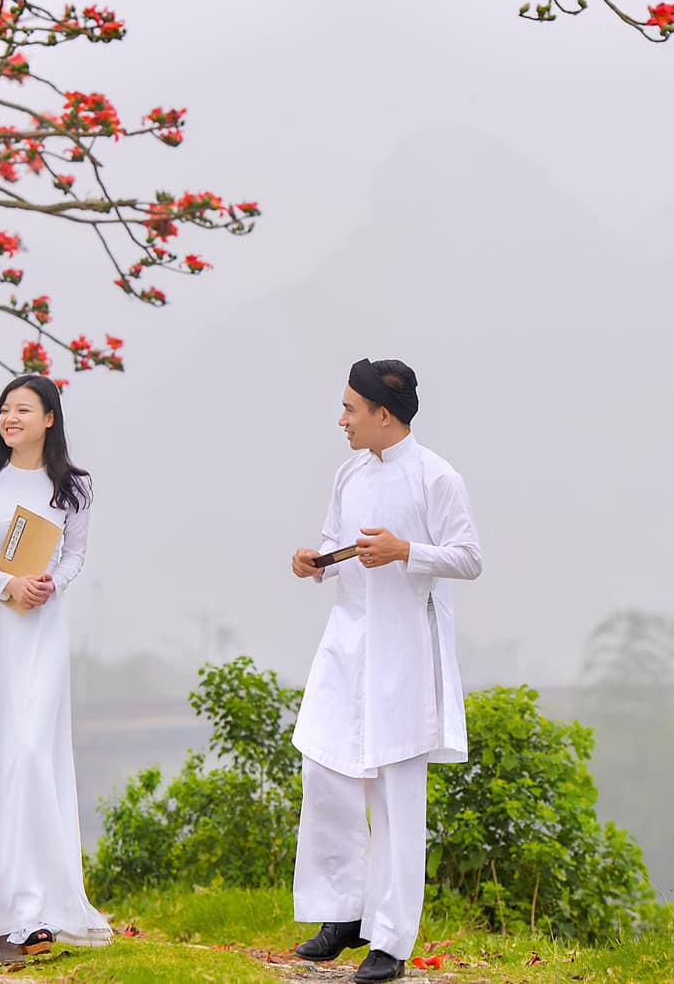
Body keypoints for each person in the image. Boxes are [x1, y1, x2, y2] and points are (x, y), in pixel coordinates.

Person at [287, 358, 484, 984]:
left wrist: (406, 552)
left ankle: (391, 940)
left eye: (350, 408)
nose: (341, 419)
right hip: (347, 643)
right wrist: (313, 562)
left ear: (384, 414)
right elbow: (333, 546)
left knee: (397, 793)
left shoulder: (437, 477)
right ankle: (343, 910)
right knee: (325, 768)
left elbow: (469, 558)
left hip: (404, 650)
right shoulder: (349, 473)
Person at [0, 374, 113, 966]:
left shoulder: (75, 486)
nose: (9, 418)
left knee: (29, 754)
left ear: (50, 418)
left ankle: (33, 911)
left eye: (23, 409)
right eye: (4, 409)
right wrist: (6, 584)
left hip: (42, 629)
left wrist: (47, 586)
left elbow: (75, 555)